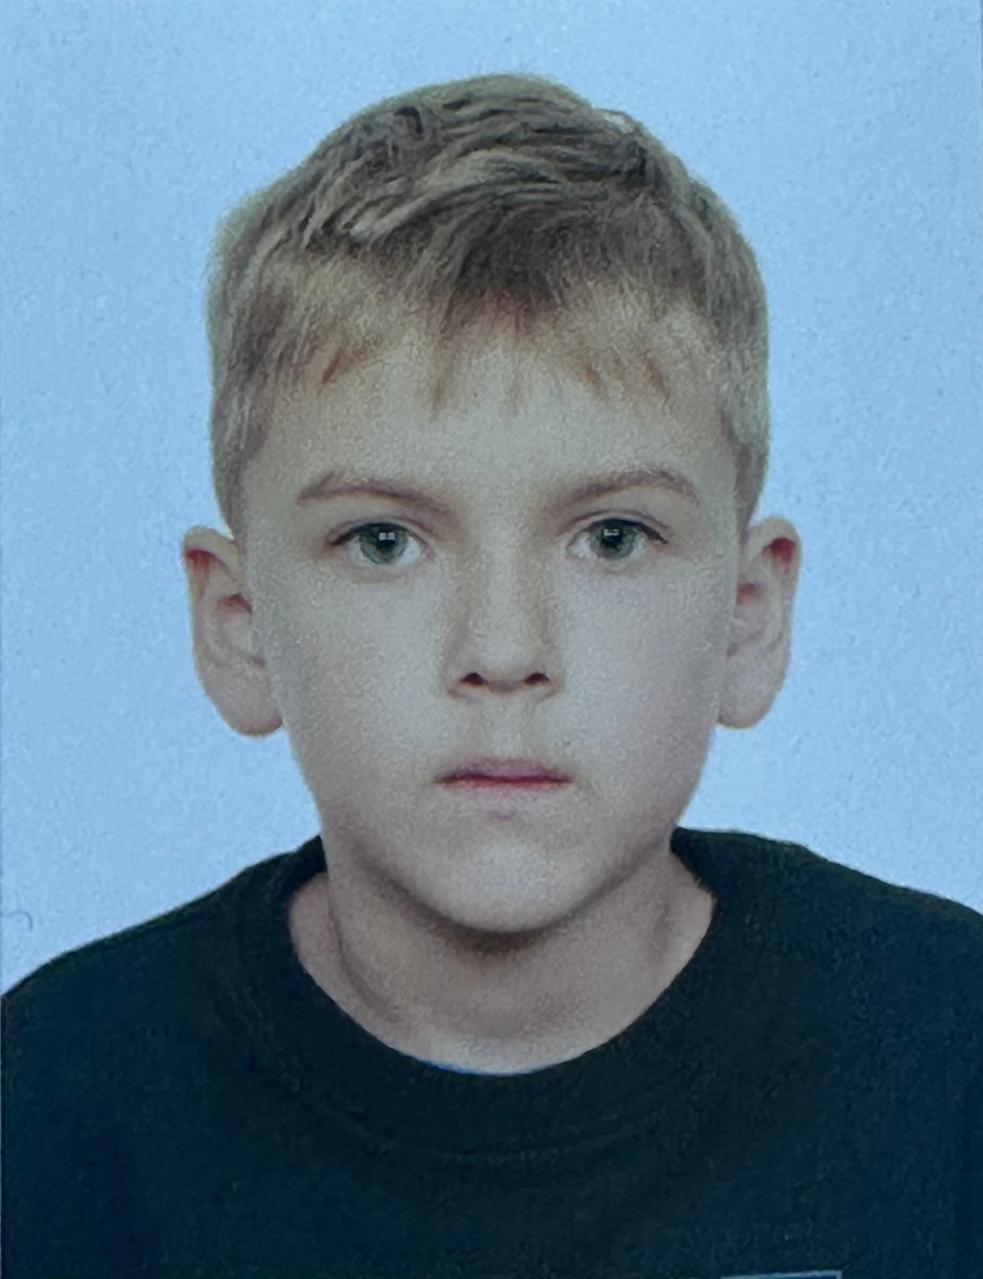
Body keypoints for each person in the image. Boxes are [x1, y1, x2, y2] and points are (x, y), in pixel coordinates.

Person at [2, 71, 980, 1279]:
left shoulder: (947, 1052)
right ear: (238, 624)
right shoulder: (54, 1105)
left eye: (610, 538)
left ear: (745, 617)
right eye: (383, 541)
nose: (505, 649)